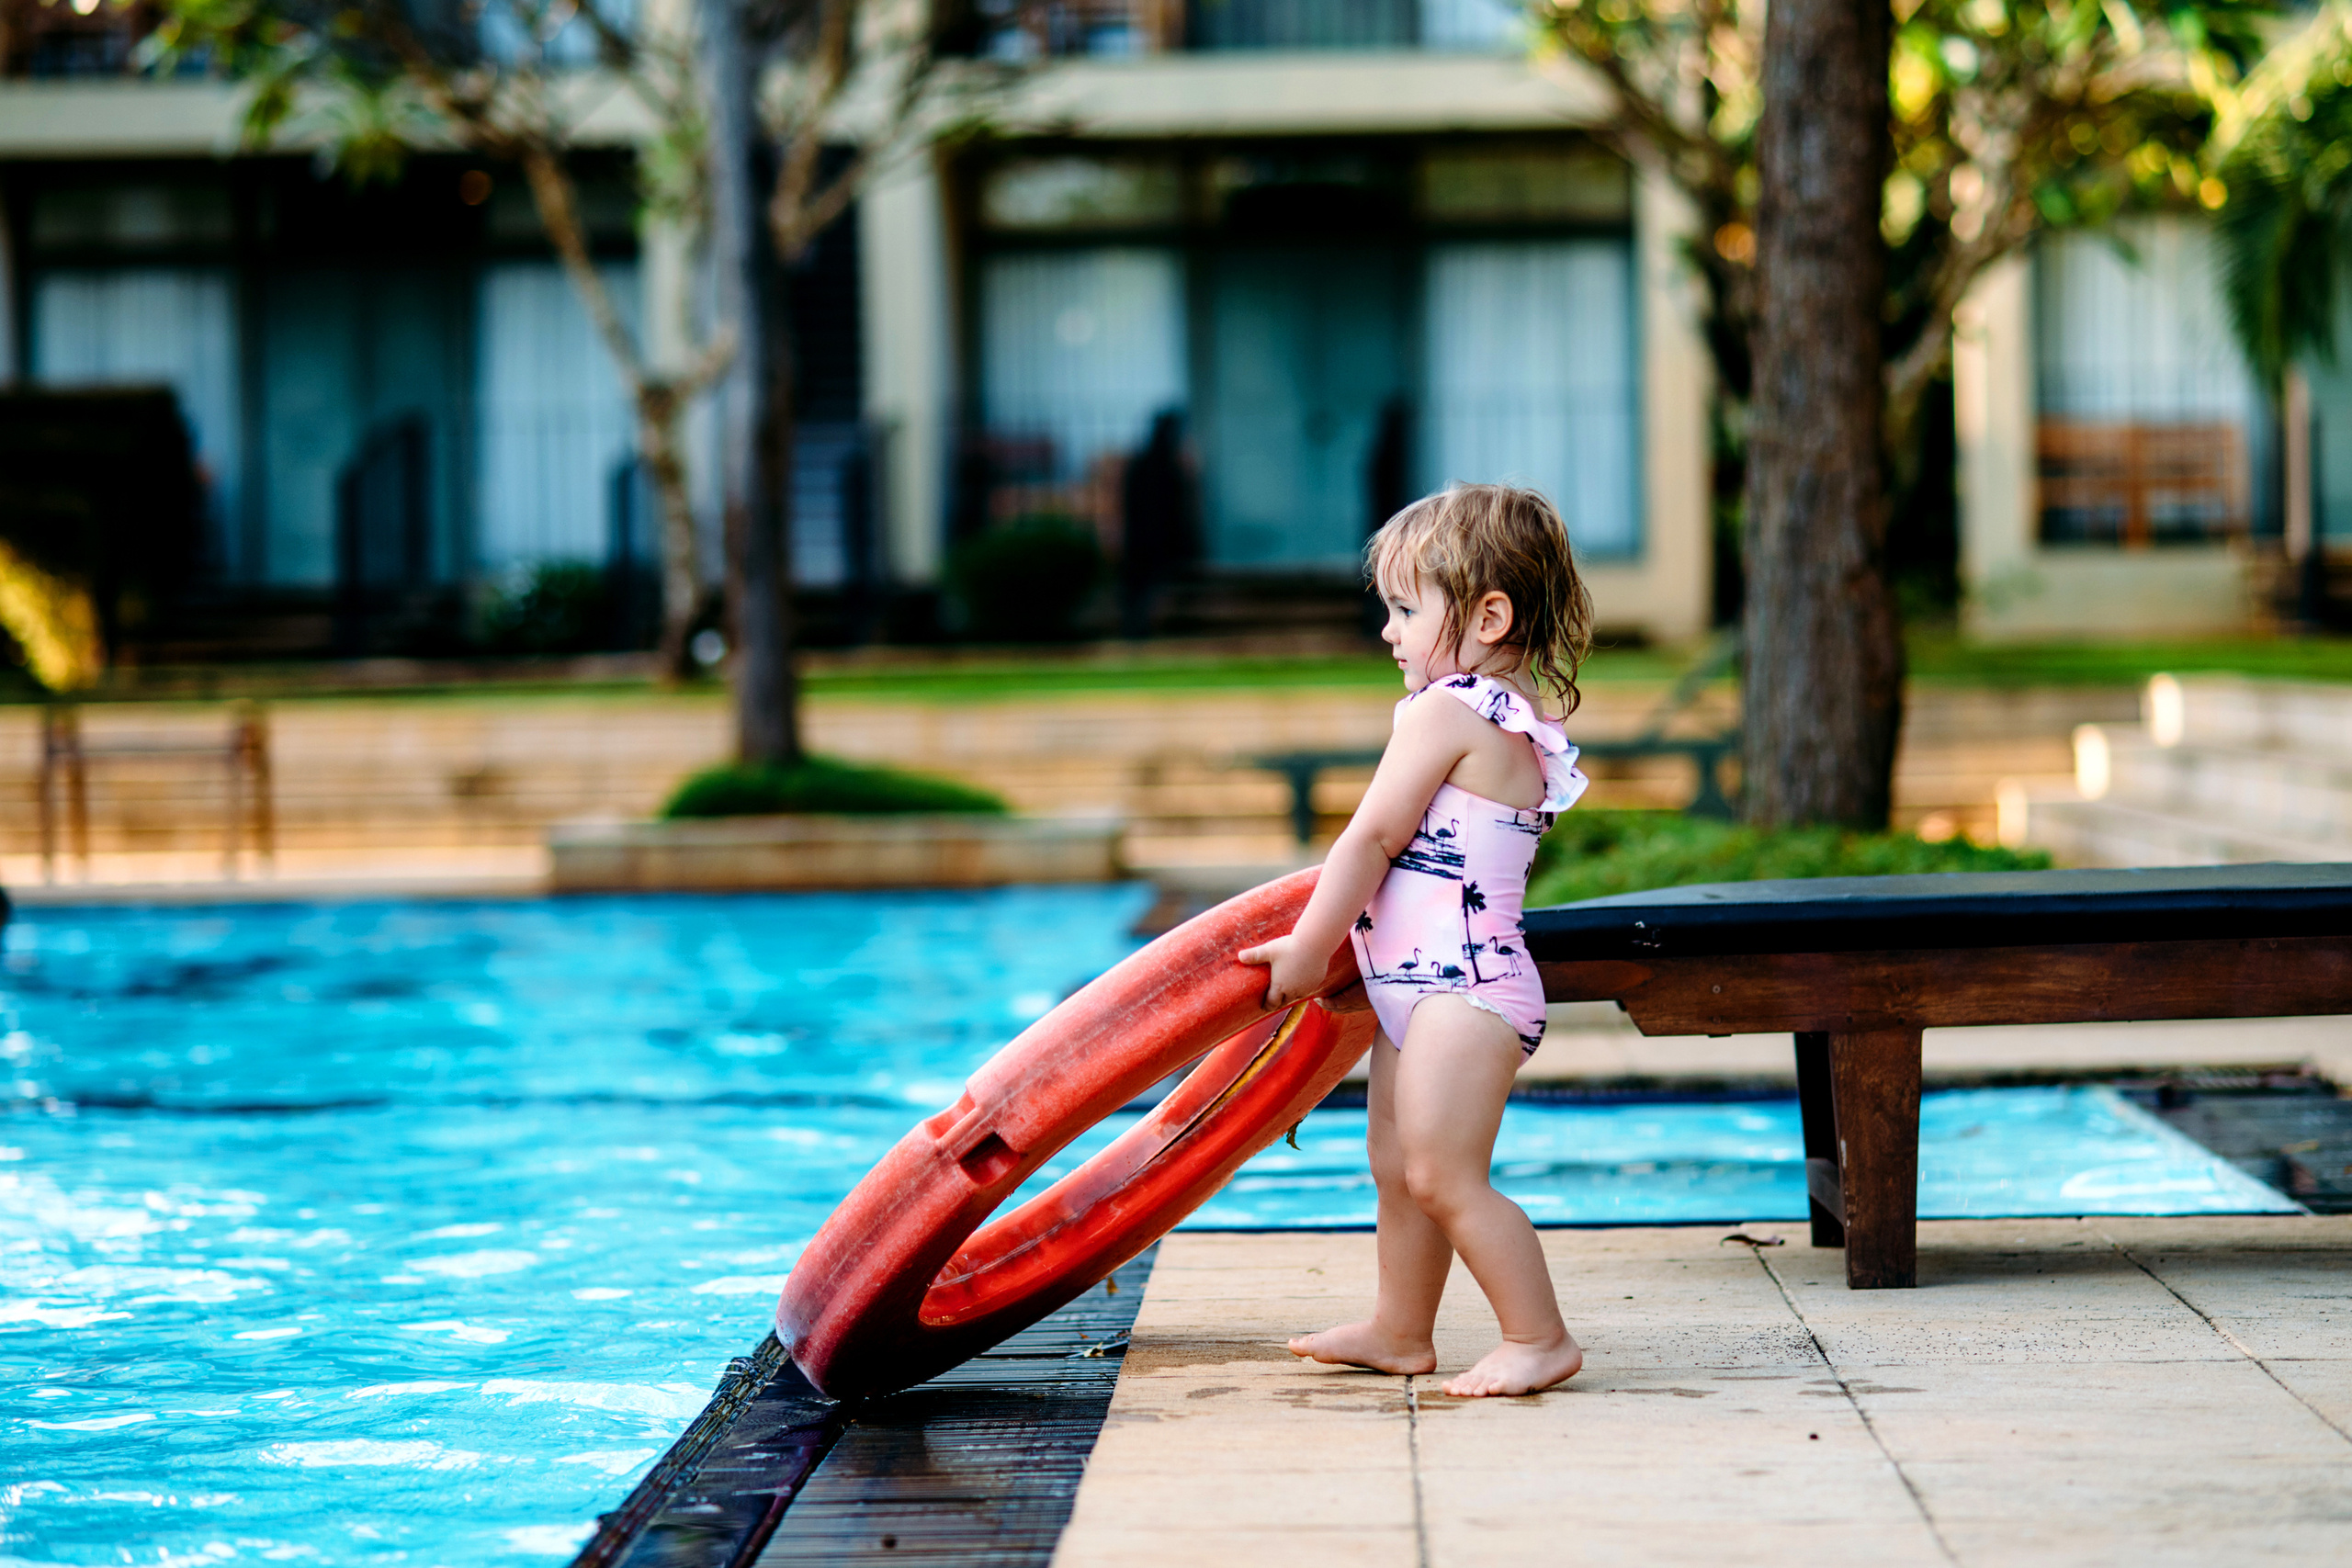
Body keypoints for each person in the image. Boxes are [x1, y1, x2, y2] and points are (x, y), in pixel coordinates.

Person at [1239, 482, 1593, 1399]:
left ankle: (1538, 1336)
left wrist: (1307, 948)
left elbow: (1371, 838)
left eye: (1405, 609)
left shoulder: (1448, 710)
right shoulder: (1505, 713)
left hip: (1462, 992)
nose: (1388, 631)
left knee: (1441, 1173)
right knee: (1397, 1169)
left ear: (1489, 617)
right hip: (1427, 988)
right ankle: (1400, 1329)